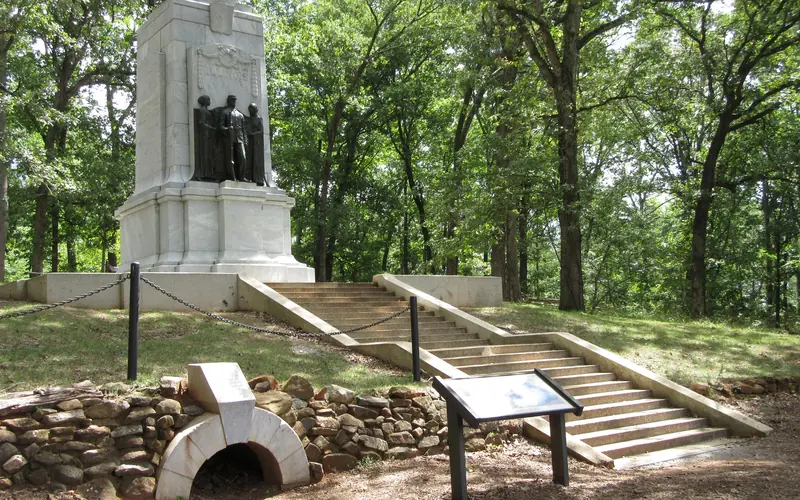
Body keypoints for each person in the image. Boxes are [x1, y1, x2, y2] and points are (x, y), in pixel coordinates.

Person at [218, 95, 249, 182]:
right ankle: (231, 176)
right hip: (229, 138)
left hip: (240, 139)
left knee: (243, 158)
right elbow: (220, 126)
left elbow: (244, 129)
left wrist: (245, 140)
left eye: (234, 100)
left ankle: (242, 176)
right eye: (232, 100)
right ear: (228, 101)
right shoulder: (225, 112)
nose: (233, 102)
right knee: (230, 159)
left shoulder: (240, 115)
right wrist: (227, 129)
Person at [192, 95, 218, 181]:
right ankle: (203, 173)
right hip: (204, 135)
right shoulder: (202, 110)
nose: (210, 101)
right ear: (204, 101)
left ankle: (209, 173)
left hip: (209, 135)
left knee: (209, 154)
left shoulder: (206, 110)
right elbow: (201, 123)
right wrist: (212, 128)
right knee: (205, 154)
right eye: (208, 99)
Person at [246, 103, 266, 186]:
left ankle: (258, 178)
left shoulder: (258, 119)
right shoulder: (248, 119)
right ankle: (249, 177)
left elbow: (261, 131)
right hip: (250, 142)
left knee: (256, 160)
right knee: (249, 158)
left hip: (257, 143)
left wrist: (253, 134)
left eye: (252, 109)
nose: (251, 111)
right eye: (250, 109)